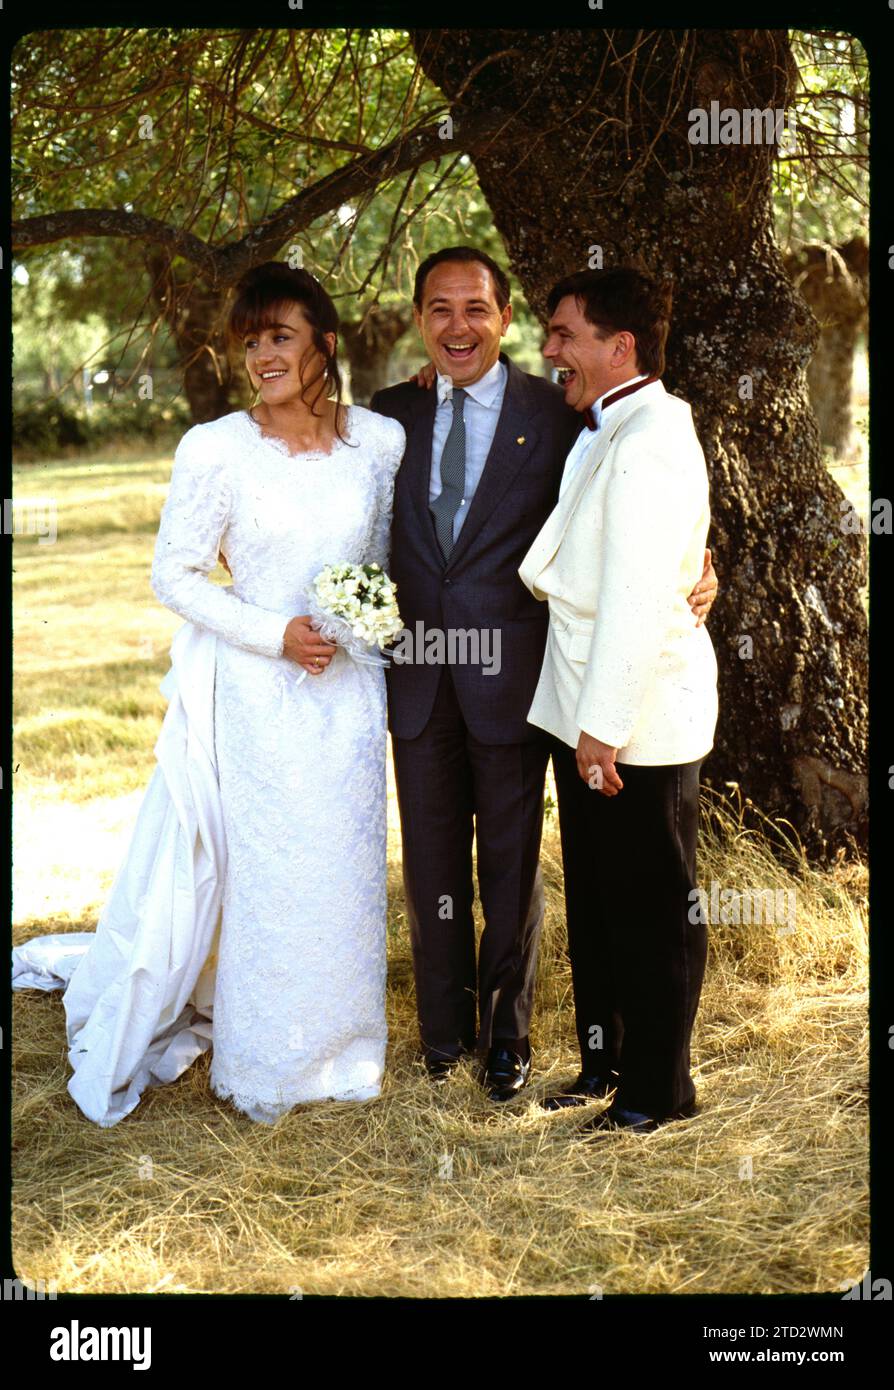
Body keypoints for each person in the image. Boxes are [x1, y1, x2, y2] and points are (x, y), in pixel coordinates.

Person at [13, 262, 405, 1125]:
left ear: (324, 344)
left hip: (349, 693)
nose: (264, 355)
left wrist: (359, 623)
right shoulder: (216, 448)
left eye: (283, 337)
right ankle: (266, 1059)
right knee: (269, 871)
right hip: (258, 694)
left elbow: (382, 562)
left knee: (340, 867)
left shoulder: (379, 443)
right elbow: (175, 576)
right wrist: (274, 633)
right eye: (252, 340)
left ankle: (347, 1048)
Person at [371, 247, 717, 1101]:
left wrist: (703, 568)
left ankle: (535, 1049)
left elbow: (651, 546)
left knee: (536, 875)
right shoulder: (387, 416)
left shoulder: (567, 412)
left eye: (477, 309)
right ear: (419, 319)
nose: (459, 326)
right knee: (454, 872)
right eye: (440, 310)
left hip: (530, 687)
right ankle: (458, 1042)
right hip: (430, 680)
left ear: (505, 321)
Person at [519, 266, 719, 1132]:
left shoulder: (650, 439)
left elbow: (639, 599)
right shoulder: (608, 424)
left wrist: (602, 732)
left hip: (635, 723)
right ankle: (604, 1064)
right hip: (585, 711)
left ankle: (658, 1092)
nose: (550, 349)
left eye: (564, 334)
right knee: (600, 904)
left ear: (618, 345)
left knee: (652, 911)